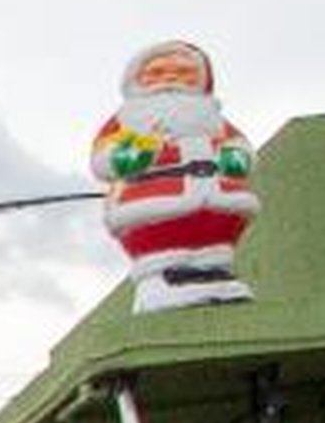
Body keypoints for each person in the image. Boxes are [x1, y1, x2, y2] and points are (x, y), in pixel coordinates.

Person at [89, 39, 258, 312]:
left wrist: (234, 158)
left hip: (217, 195)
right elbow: (104, 159)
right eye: (156, 73)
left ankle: (214, 274)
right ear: (137, 80)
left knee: (215, 239)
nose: (170, 78)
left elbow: (239, 147)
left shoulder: (212, 119)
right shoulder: (128, 119)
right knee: (162, 238)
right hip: (152, 198)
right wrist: (143, 149)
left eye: (183, 73)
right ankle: (162, 281)